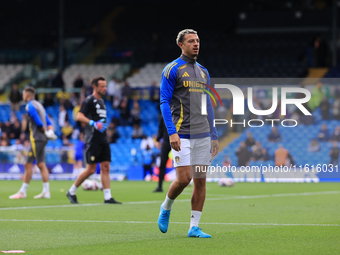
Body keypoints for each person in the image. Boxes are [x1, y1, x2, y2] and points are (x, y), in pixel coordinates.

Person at [157, 29, 218, 238]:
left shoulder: (203, 72)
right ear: (181, 45)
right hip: (181, 134)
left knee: (200, 180)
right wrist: (172, 132)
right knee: (184, 179)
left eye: (198, 40)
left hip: (202, 135)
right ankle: (166, 207)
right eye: (191, 41)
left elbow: (207, 104)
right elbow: (164, 102)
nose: (196, 44)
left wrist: (214, 135)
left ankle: (194, 226)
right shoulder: (172, 69)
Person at [66, 76, 121, 204]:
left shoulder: (102, 102)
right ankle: (72, 191)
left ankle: (108, 197)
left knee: (105, 167)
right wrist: (93, 123)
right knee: (90, 170)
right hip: (92, 139)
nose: (105, 88)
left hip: (103, 139)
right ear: (95, 87)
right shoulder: (89, 100)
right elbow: (79, 116)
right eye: (102, 86)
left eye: (105, 86)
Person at [9, 86, 57, 200]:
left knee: (27, 164)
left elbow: (39, 122)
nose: (22, 96)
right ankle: (46, 192)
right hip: (43, 138)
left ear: (27, 95)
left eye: (23, 94)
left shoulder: (29, 105)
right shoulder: (40, 105)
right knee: (41, 164)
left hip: (37, 138)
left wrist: (45, 132)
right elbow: (48, 121)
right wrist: (50, 131)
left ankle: (23, 192)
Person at [153, 115, 171, 192]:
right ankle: (159, 187)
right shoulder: (163, 116)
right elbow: (161, 130)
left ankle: (182, 183)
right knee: (162, 164)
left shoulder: (178, 112)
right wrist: (157, 140)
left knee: (180, 164)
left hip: (178, 142)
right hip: (166, 143)